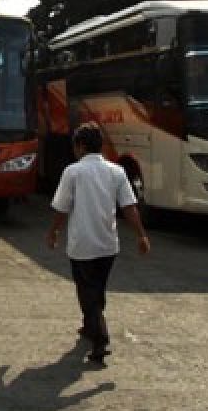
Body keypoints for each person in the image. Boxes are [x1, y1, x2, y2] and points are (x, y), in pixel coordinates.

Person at [46, 122, 151, 364]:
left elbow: (62, 208)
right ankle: (88, 327)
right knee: (97, 290)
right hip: (107, 245)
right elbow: (129, 207)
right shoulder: (116, 172)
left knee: (87, 294)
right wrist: (141, 235)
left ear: (80, 146)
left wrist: (53, 232)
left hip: (82, 245)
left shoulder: (73, 172)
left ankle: (100, 340)